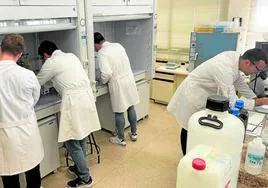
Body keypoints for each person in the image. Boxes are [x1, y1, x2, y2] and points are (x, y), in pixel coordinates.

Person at [167, 48, 268, 155]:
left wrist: (254, 98)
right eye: (257, 70)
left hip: (203, 95)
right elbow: (232, 102)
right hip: (193, 95)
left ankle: (196, 153)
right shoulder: (224, 67)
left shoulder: (235, 59)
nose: (257, 73)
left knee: (199, 127)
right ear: (247, 63)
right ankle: (186, 156)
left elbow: (239, 82)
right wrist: (260, 102)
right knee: (189, 127)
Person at [37, 40, 101, 188]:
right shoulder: (71, 56)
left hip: (74, 101)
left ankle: (85, 178)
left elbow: (37, 82)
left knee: (71, 141)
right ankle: (80, 168)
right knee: (81, 136)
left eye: (42, 57)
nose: (43, 59)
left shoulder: (50, 63)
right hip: (86, 97)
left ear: (46, 54)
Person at [0, 34, 44, 188]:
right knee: (33, 173)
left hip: (4, 136)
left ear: (1, 49)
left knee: (9, 177)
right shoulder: (28, 75)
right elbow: (34, 98)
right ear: (19, 54)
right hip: (27, 131)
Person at [94, 32, 140, 146]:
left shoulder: (102, 53)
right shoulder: (118, 45)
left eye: (94, 46)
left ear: (96, 44)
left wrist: (102, 81)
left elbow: (107, 73)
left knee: (119, 112)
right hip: (128, 79)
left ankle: (120, 139)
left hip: (118, 83)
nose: (94, 49)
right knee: (130, 106)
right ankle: (134, 134)